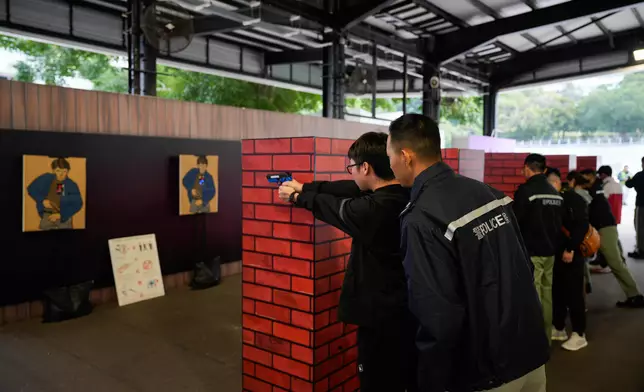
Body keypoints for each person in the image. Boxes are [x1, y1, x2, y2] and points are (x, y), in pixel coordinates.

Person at [386, 114, 548, 392]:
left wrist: (431, 382)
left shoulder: (422, 217)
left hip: (488, 373)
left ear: (406, 156)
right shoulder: (490, 194)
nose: (390, 164)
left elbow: (437, 315)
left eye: (389, 155)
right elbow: (525, 268)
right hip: (530, 353)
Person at [278, 132, 416, 392]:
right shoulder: (403, 192)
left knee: (376, 381)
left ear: (366, 167)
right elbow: (347, 188)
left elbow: (335, 208)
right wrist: (305, 186)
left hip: (381, 316)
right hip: (405, 308)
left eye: (352, 167)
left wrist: (297, 198)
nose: (351, 173)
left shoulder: (374, 210)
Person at [512, 153, 563, 344]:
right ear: (545, 170)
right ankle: (546, 338)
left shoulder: (526, 191)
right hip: (551, 251)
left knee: (534, 296)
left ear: (527, 168)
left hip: (532, 252)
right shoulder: (555, 193)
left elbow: (516, 221)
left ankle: (536, 342)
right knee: (547, 293)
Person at [580, 169, 644, 308]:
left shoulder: (595, 189)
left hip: (605, 228)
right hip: (608, 227)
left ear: (591, 177)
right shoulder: (598, 187)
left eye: (584, 179)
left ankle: (635, 296)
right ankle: (634, 294)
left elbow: (591, 210)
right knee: (618, 261)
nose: (582, 183)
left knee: (615, 263)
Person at [547, 170, 590, 351]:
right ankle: (559, 327)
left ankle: (579, 334)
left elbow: (582, 225)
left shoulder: (573, 199)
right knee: (558, 292)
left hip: (572, 253)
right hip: (557, 253)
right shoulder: (553, 201)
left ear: (556, 182)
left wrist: (571, 248)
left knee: (573, 294)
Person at [27, 157, 83, 230]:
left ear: (68, 171)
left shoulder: (71, 184)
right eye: (58, 171)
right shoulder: (46, 178)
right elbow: (31, 189)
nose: (61, 174)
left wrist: (61, 215)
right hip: (47, 215)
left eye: (64, 171)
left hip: (64, 216)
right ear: (53, 171)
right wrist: (42, 200)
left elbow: (78, 203)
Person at [625, 157, 644, 260]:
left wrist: (629, 179)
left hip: (641, 205)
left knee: (640, 228)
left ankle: (641, 251)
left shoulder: (640, 175)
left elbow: (629, 184)